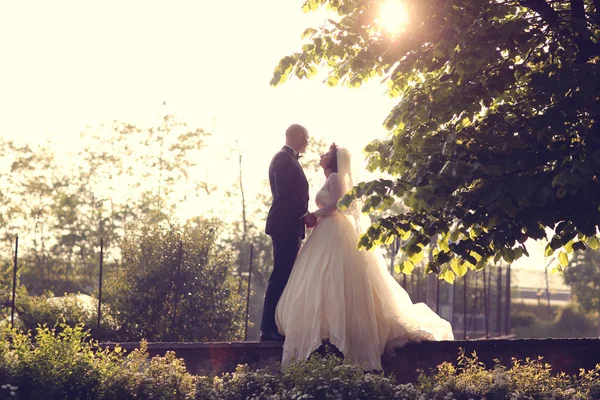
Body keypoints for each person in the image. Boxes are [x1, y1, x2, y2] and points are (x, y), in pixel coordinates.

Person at [275, 143, 454, 370]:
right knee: (322, 277)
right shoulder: (330, 179)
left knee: (333, 274)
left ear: (336, 159)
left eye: (327, 154)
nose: (322, 155)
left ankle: (337, 331)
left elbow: (340, 205)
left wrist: (316, 213)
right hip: (326, 230)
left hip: (335, 231)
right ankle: (327, 327)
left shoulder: (335, 178)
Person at [261, 124, 317, 342]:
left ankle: (277, 325)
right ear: (297, 136)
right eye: (306, 137)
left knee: (286, 274)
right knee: (280, 273)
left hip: (290, 225)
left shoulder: (289, 159)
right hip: (284, 225)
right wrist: (305, 214)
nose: (308, 142)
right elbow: (285, 194)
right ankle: (267, 329)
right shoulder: (283, 159)